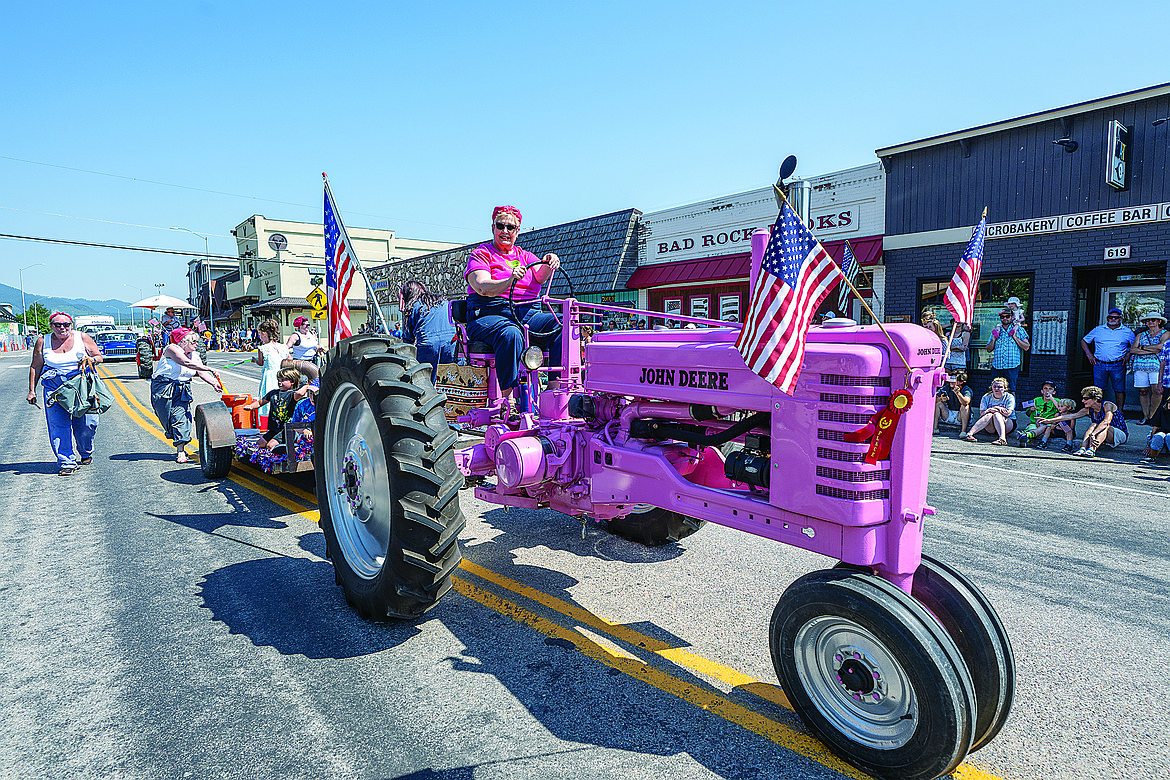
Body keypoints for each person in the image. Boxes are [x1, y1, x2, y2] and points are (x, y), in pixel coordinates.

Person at [464, 205, 562, 409]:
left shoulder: (525, 256)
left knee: (560, 324)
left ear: (517, 231)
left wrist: (550, 260)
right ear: (493, 228)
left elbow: (541, 275)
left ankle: (553, 389)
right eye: (501, 226)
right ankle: (509, 398)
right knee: (511, 333)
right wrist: (508, 281)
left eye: (511, 227)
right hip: (489, 312)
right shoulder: (481, 254)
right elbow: (482, 287)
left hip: (527, 312)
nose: (505, 231)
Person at [25, 312, 104, 475]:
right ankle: (66, 462)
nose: (62, 327)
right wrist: (32, 391)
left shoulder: (82, 337)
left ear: (71, 326)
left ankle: (85, 451)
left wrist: (91, 360)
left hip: (80, 387)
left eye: (66, 324)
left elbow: (99, 356)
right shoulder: (43, 341)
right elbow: (36, 366)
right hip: (55, 390)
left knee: (87, 425)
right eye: (57, 324)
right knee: (58, 426)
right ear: (51, 326)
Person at [150, 327, 222, 464]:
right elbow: (186, 362)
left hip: (182, 388)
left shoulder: (195, 355)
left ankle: (181, 450)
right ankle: (178, 439)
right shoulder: (172, 349)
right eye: (193, 341)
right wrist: (210, 368)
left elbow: (200, 372)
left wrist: (214, 382)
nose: (197, 344)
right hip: (163, 387)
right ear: (183, 341)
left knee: (181, 416)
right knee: (167, 418)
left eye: (197, 341)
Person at [1038, 385, 1127, 457]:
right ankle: (1083, 448)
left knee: (1104, 426)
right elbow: (1070, 416)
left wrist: (1093, 434)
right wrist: (1049, 420)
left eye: (1085, 398)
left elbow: (1106, 421)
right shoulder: (1088, 409)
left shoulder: (1107, 405)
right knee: (1093, 424)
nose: (1082, 401)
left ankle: (1092, 449)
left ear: (1095, 399)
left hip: (1118, 434)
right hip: (1100, 435)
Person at [399, 280, 456, 383]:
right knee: (449, 380)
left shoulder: (412, 306)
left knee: (425, 382)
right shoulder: (442, 301)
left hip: (428, 345)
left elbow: (408, 339)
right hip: (450, 343)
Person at [1081, 308, 1135, 410]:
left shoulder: (1127, 331)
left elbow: (1135, 346)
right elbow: (1084, 341)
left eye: (1116, 317)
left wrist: (1128, 355)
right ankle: (1098, 411)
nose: (1113, 319)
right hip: (1099, 364)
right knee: (1098, 390)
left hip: (1118, 364)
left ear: (1120, 319)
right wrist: (1089, 355)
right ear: (1107, 318)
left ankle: (1120, 412)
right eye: (1111, 317)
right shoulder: (1098, 330)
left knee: (1119, 389)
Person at [242, 367, 300, 450]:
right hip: (274, 428)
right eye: (279, 380)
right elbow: (260, 402)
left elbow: (300, 393)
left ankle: (290, 453)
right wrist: (251, 406)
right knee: (259, 444)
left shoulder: (293, 395)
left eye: (283, 380)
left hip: (285, 430)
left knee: (270, 446)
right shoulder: (273, 393)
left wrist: (307, 385)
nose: (280, 382)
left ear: (292, 382)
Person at [1128, 311, 1168, 424]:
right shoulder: (1140, 335)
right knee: (1143, 391)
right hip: (1140, 366)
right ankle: (1145, 416)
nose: (1150, 322)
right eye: (1148, 320)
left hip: (1156, 366)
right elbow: (1133, 350)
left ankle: (1153, 416)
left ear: (1159, 321)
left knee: (1157, 391)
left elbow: (1161, 347)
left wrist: (1143, 347)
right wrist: (1151, 349)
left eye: (1153, 320)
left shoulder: (1165, 333)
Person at [253, 319, 290, 425]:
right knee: (282, 398)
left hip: (269, 376)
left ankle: (271, 424)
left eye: (260, 334)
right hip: (282, 374)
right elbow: (289, 359)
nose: (260, 337)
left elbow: (260, 363)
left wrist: (254, 360)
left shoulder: (263, 348)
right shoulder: (283, 347)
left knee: (268, 399)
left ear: (264, 334)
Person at [985, 308, 1030, 393]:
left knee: (1011, 390)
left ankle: (1010, 406)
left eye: (1007, 316)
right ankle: (997, 406)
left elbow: (1026, 346)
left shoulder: (1019, 330)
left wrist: (1015, 337)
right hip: (997, 366)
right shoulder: (996, 330)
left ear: (1012, 317)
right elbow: (988, 349)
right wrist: (994, 338)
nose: (1005, 318)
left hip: (1012, 366)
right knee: (995, 390)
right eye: (1002, 317)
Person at [963, 377, 1016, 444]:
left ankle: (1002, 439)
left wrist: (994, 409)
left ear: (1005, 388)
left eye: (1000, 387)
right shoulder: (986, 397)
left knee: (997, 414)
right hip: (991, 426)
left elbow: (1008, 413)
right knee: (989, 415)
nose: (996, 389)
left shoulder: (1009, 397)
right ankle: (969, 434)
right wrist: (995, 409)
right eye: (995, 386)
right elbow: (982, 414)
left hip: (1007, 423)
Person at [1015, 379, 1060, 448]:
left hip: (1048, 424)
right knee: (1031, 428)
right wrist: (1031, 410)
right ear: (1042, 391)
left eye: (1050, 389)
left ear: (1054, 392)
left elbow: (1060, 409)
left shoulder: (1057, 401)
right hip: (1035, 423)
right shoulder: (1036, 400)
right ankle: (1024, 440)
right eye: (1045, 388)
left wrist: (1051, 398)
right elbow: (1028, 414)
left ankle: (1025, 436)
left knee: (1044, 428)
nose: (1047, 391)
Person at [283, 316, 321, 381]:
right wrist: (289, 357)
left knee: (315, 382)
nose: (308, 327)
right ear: (300, 326)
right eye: (306, 325)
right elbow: (285, 348)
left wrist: (319, 348)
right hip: (301, 363)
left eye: (308, 325)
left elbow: (316, 345)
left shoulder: (312, 334)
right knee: (303, 382)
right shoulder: (295, 336)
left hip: (313, 362)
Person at [934, 372, 973, 436]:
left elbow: (966, 402)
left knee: (965, 406)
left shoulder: (966, 389)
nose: (951, 381)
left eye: (954, 379)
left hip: (960, 416)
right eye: (950, 378)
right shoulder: (946, 388)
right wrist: (941, 399)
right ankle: (935, 429)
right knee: (938, 404)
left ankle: (963, 431)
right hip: (948, 414)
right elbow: (932, 399)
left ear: (961, 382)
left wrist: (958, 393)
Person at [1140, 395, 1170, 464]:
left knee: (1169, 436)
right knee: (1158, 436)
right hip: (1161, 437)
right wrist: (1149, 446)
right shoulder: (1162, 410)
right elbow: (1154, 429)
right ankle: (1152, 457)